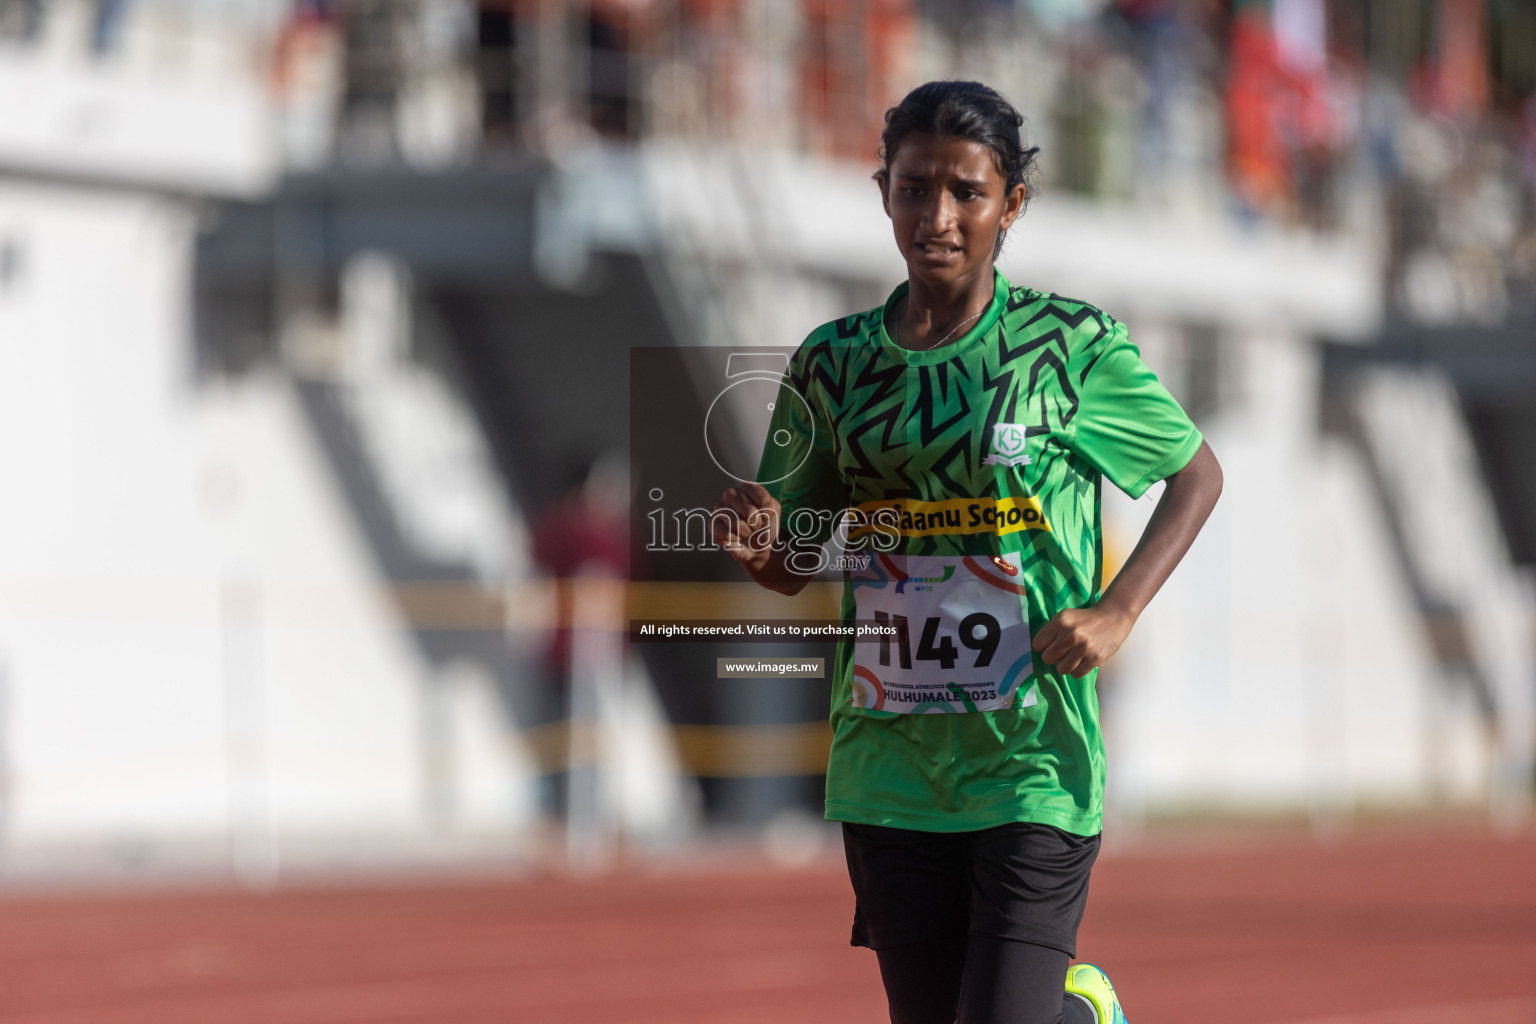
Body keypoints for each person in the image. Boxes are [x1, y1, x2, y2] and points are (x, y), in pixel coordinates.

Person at [713, 80, 1223, 1024]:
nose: (936, 217)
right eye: (912, 189)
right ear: (882, 193)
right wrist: (763, 553)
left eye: (965, 192)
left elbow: (1197, 474)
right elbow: (796, 559)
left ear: (1010, 203)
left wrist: (1118, 609)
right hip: (890, 761)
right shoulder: (831, 365)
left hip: (1033, 755)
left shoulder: (1069, 346)